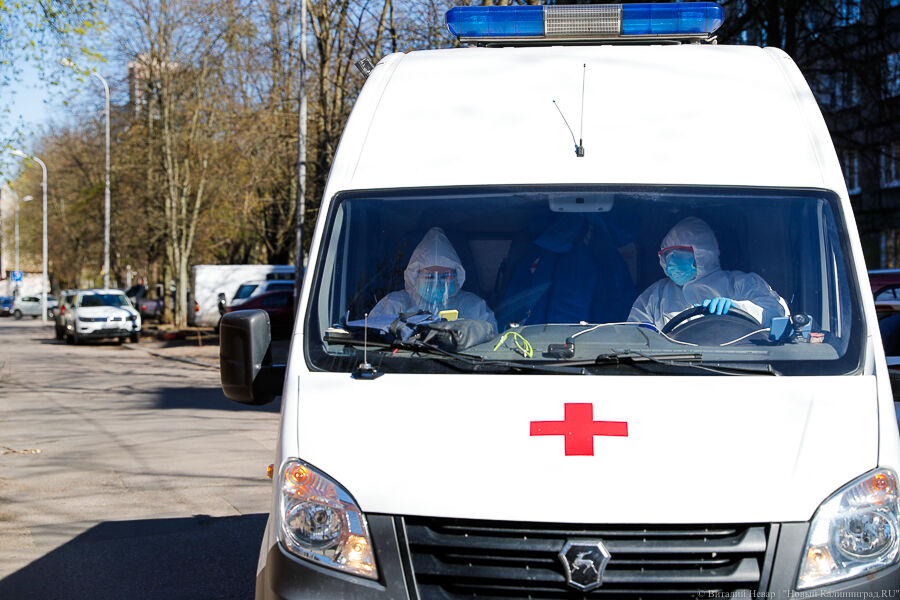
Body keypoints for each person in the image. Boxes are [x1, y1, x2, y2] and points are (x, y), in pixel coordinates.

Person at [628, 217, 788, 329]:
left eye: (680, 255)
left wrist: (741, 309)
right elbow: (634, 335)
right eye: (667, 255)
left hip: (738, 364)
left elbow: (777, 314)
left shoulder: (741, 284)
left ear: (704, 254)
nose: (671, 263)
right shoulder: (656, 295)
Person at [369, 227, 498, 332]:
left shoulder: (475, 308)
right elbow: (371, 340)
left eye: (445, 276)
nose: (437, 283)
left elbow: (491, 345)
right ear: (414, 276)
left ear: (457, 276)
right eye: (430, 276)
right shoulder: (392, 305)